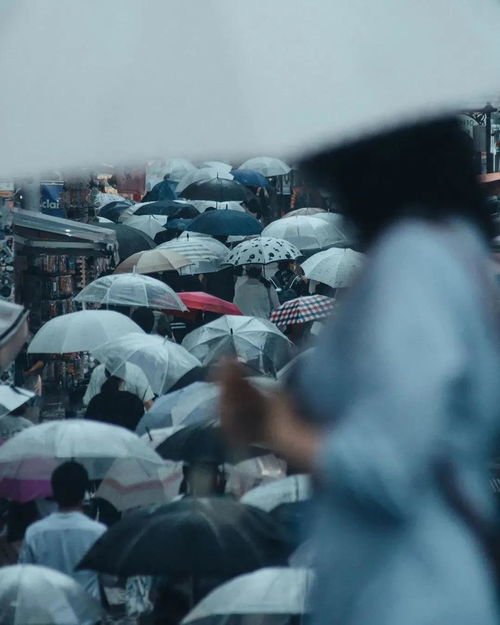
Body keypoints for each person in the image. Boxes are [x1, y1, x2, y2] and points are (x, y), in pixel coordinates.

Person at [220, 118, 500, 625]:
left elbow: (389, 463)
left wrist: (276, 426)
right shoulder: (455, 252)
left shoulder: (412, 260)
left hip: (408, 592)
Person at [18, 461, 106, 602]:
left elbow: (24, 576)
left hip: (49, 611)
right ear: (84, 492)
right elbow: (109, 578)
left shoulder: (35, 533)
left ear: (54, 490)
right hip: (87, 613)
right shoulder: (98, 532)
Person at [83, 361, 154, 409]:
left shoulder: (98, 371)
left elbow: (88, 402)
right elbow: (148, 403)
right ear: (122, 378)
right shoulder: (136, 371)